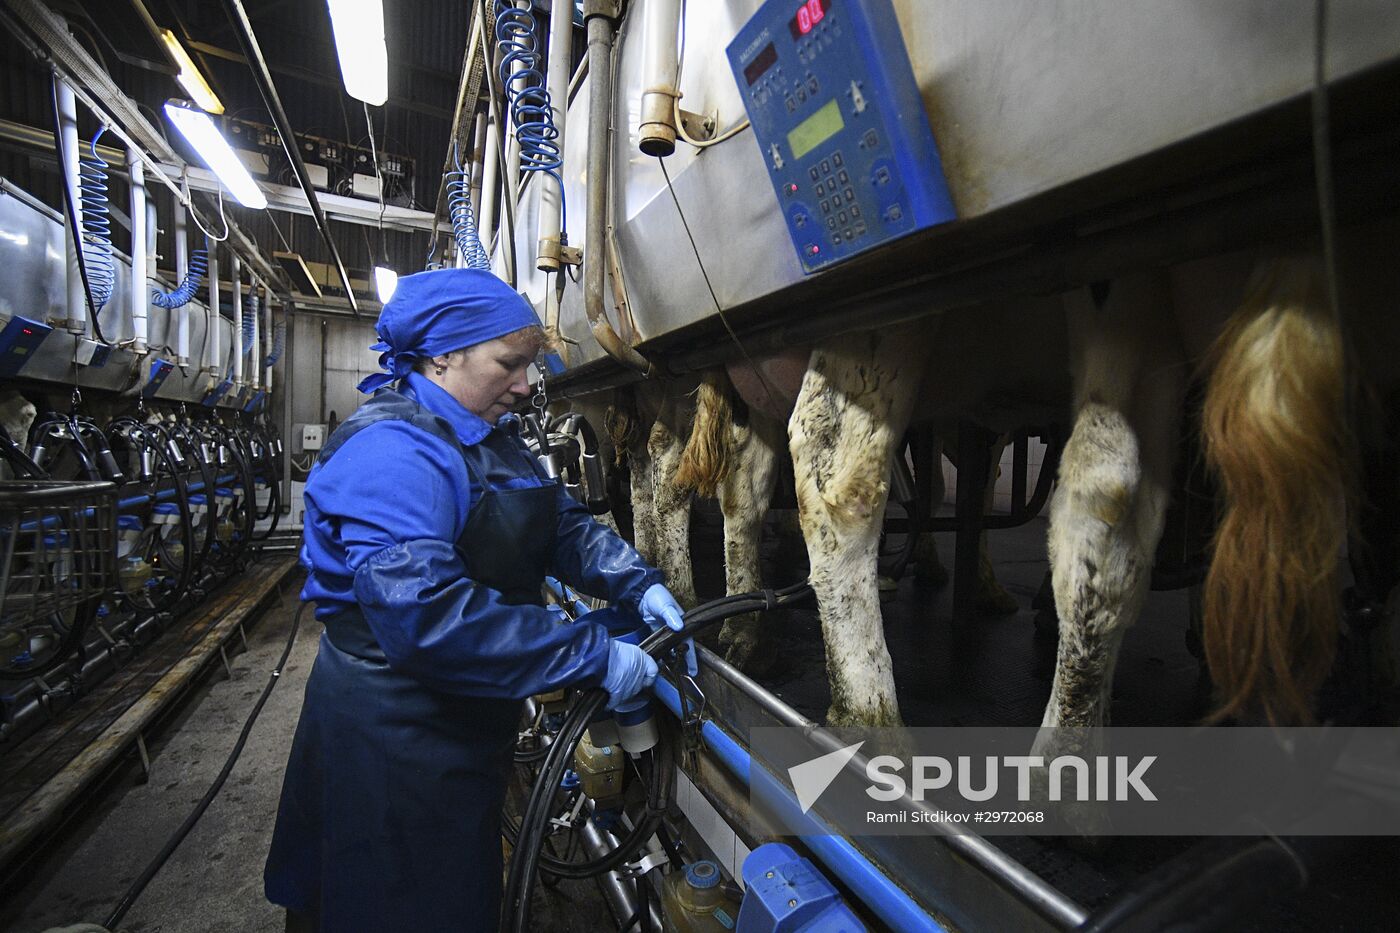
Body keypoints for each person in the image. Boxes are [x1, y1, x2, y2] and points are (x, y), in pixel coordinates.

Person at [263, 268, 686, 932]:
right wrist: (591, 653)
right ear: (442, 354)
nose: (524, 384)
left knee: (448, 891)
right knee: (389, 901)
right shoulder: (393, 452)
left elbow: (557, 523)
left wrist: (635, 577)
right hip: (395, 728)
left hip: (461, 715)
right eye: (509, 363)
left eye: (530, 364)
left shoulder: (490, 435)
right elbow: (427, 618)